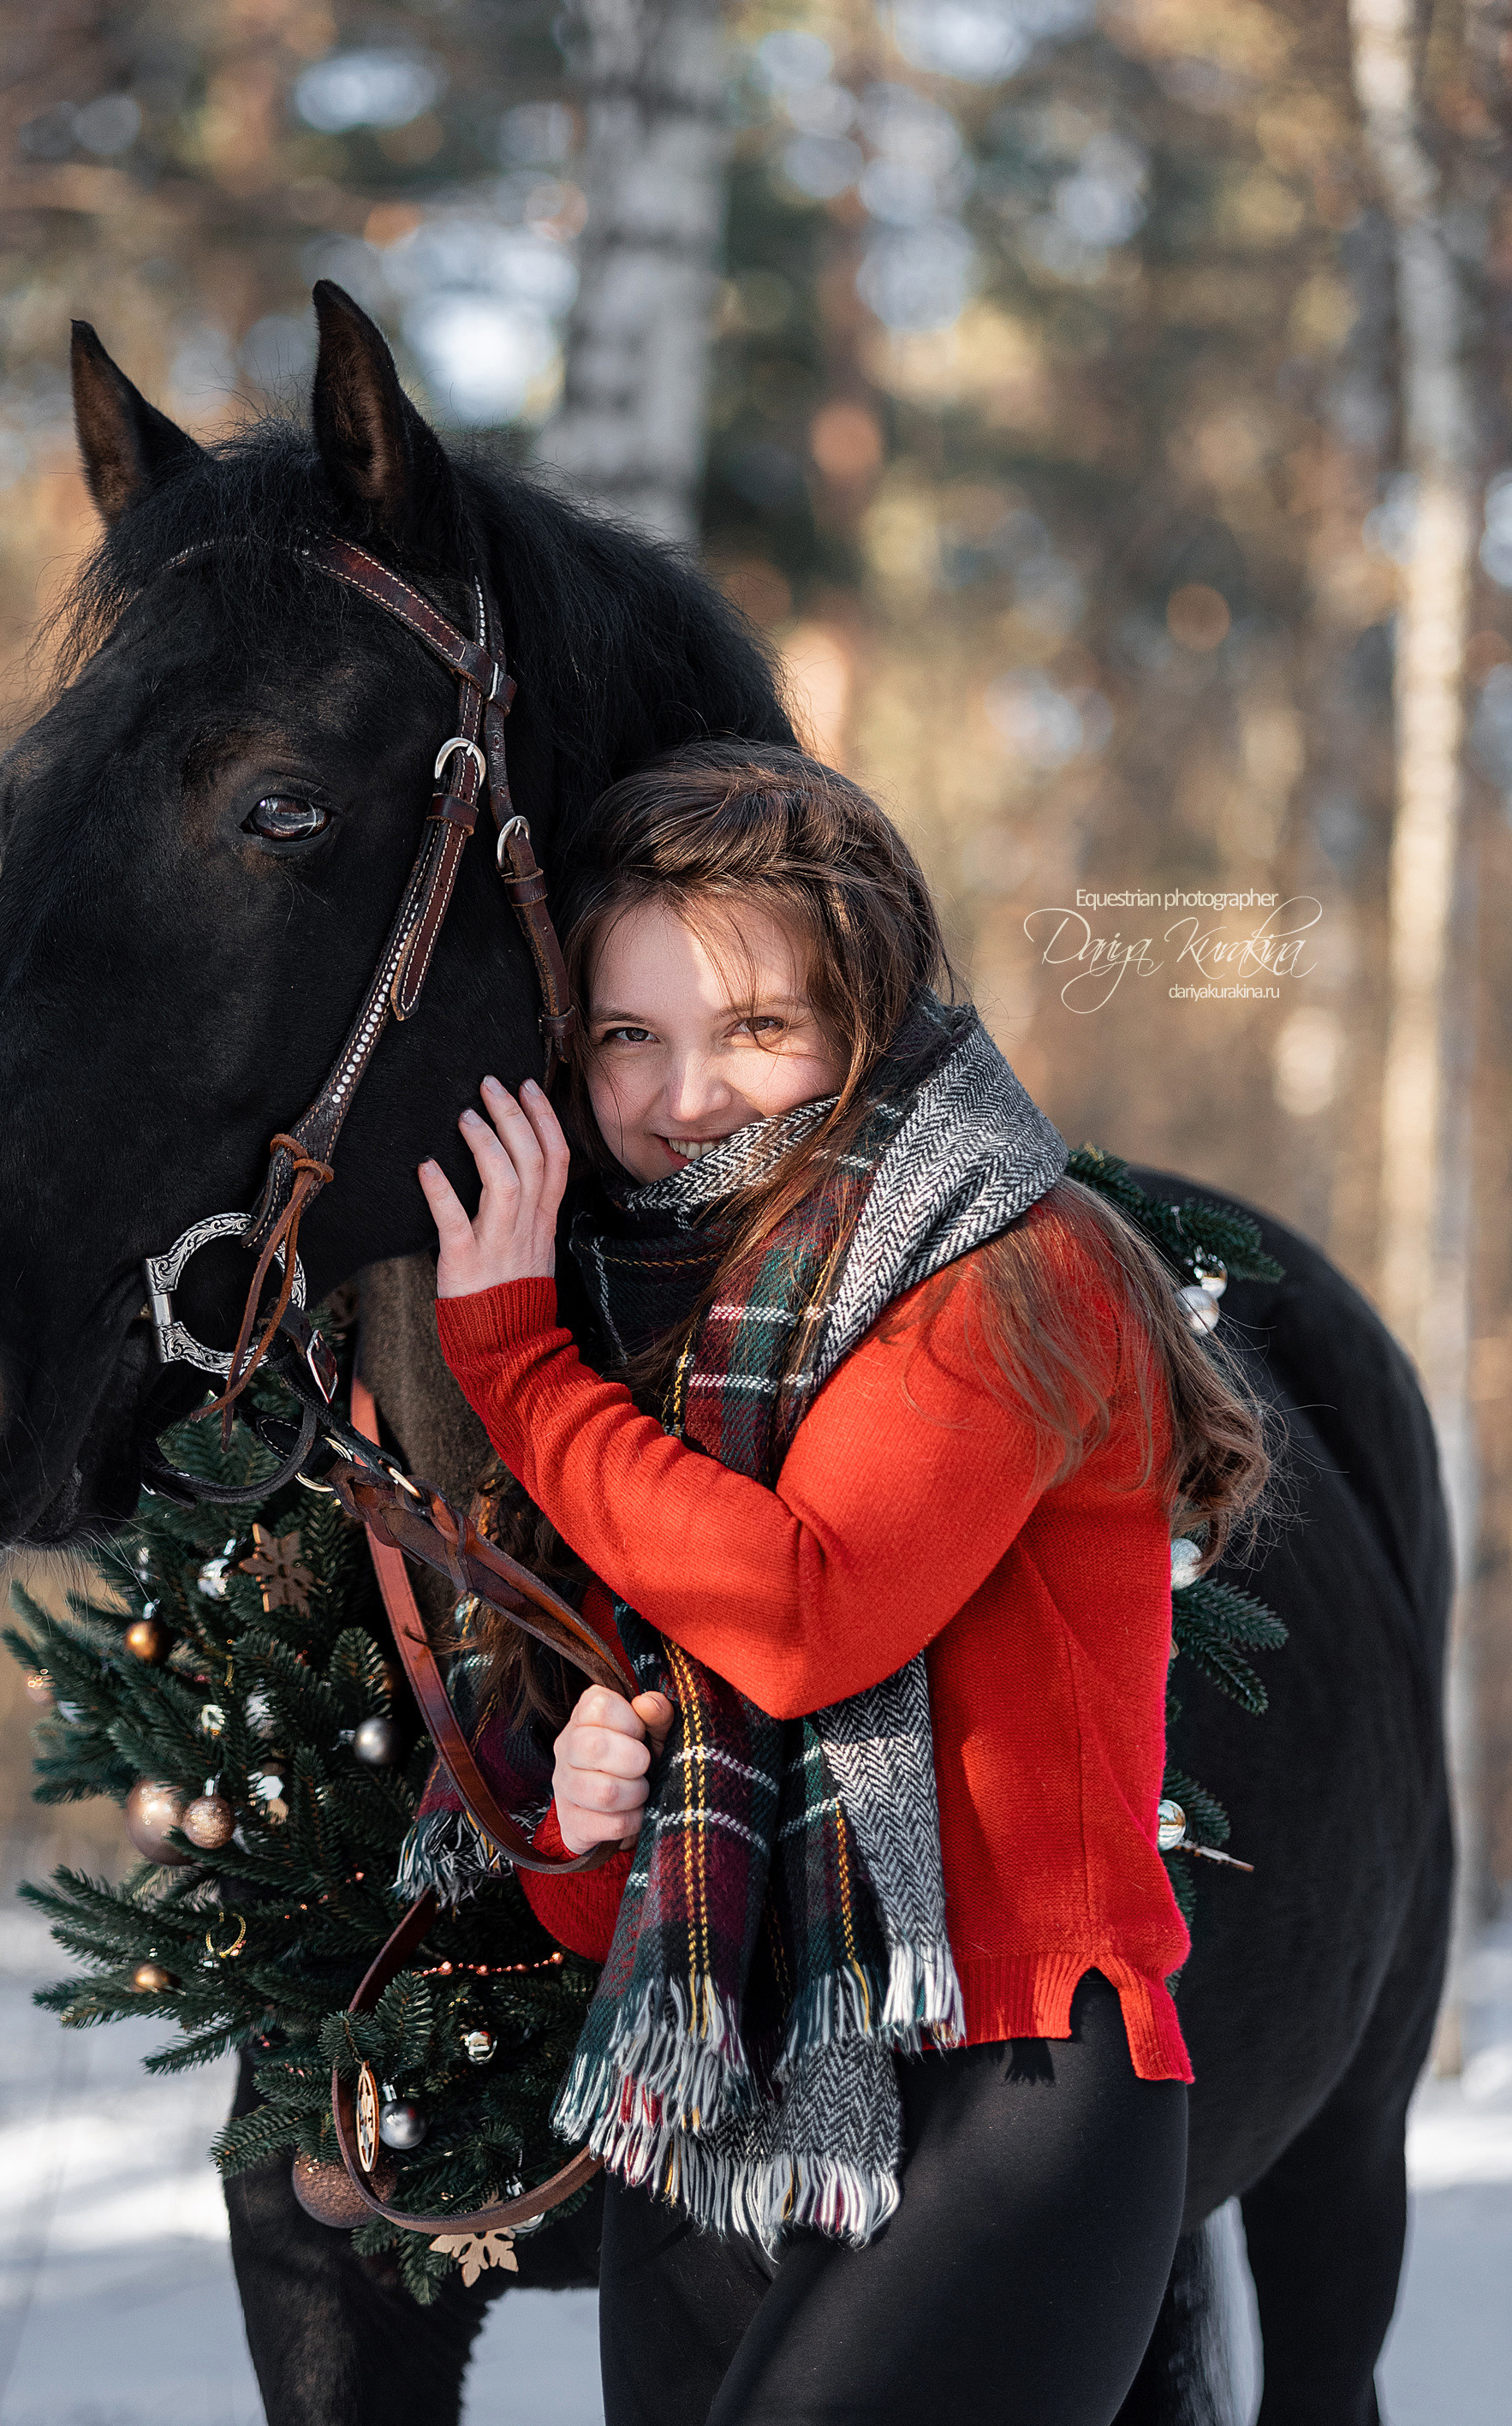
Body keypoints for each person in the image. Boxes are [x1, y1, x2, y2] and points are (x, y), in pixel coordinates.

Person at [408, 742, 1267, 2426]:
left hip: (1013, 2090)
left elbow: (805, 1617)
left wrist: (507, 1353)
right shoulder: (673, 1354)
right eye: (628, 1038)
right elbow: (644, 1896)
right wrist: (593, 1816)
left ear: (864, 1019)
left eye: (753, 1031)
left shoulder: (1019, 1269)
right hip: (740, 2101)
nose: (682, 1098)